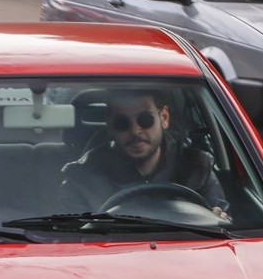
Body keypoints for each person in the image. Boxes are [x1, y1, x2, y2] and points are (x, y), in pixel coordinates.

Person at [63, 90, 228, 213]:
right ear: (110, 127)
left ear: (164, 118)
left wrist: (219, 218)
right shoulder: (82, 177)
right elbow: (70, 240)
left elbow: (225, 230)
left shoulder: (197, 169)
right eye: (122, 123)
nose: (135, 131)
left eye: (145, 120)